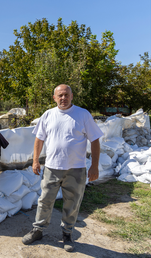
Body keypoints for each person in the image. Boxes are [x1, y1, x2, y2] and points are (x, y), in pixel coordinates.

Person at [22, 84, 103, 252]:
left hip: (76, 169)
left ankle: (67, 234)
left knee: (72, 203)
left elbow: (95, 140)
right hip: (52, 167)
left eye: (66, 95)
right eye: (60, 95)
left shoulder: (83, 115)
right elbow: (39, 139)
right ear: (54, 98)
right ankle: (38, 230)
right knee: (45, 200)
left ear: (72, 96)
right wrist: (35, 161)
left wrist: (94, 166)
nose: (63, 98)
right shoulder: (48, 115)